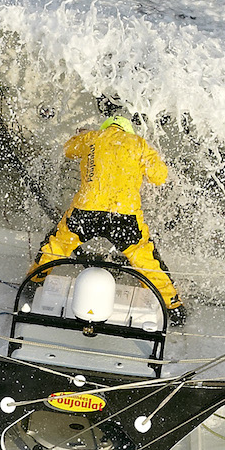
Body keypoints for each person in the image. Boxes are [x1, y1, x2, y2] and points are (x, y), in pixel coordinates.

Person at [34, 116, 181, 318]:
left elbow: (68, 150)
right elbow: (159, 176)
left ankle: (33, 284)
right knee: (144, 258)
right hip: (124, 216)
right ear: (127, 130)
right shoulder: (138, 143)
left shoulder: (92, 138)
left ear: (106, 127)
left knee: (57, 245)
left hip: (86, 212)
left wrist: (82, 135)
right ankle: (172, 306)